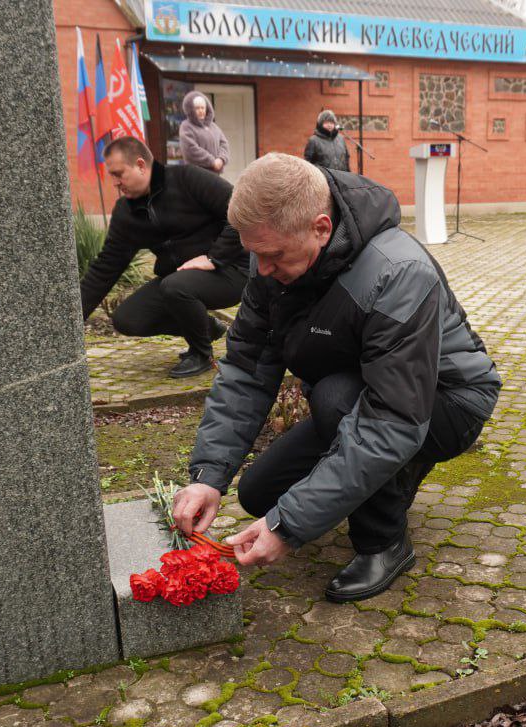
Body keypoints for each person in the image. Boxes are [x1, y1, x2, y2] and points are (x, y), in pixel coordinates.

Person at [172, 153, 501, 603]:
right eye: (254, 253)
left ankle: (384, 542)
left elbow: (392, 420)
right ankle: (394, 473)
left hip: (447, 402)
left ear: (321, 228)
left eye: (273, 256)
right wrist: (209, 475)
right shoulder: (272, 258)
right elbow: (248, 370)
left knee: (334, 400)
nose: (261, 269)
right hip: (362, 394)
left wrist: (289, 526)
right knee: (259, 493)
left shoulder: (397, 272)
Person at [80, 136, 248, 378]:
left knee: (175, 285)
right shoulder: (126, 213)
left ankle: (201, 353)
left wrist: (214, 257)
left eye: (119, 174)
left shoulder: (188, 178)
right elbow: (105, 268)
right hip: (180, 280)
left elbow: (241, 212)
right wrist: (71, 321)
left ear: (140, 165)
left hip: (231, 270)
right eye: (112, 176)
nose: (115, 183)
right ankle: (206, 327)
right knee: (127, 319)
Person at [179, 91, 229, 176]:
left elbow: (224, 143)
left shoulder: (213, 126)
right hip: (197, 175)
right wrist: (212, 161)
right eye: (197, 108)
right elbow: (190, 149)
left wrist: (221, 159)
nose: (201, 111)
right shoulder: (186, 126)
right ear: (191, 109)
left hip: (215, 175)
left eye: (203, 108)